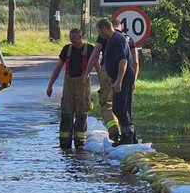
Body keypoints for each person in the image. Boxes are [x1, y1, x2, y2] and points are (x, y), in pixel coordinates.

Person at [46, 28, 95, 149]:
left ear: (80, 36)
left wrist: (105, 83)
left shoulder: (89, 49)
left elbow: (97, 66)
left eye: (74, 39)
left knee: (81, 113)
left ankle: (80, 143)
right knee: (66, 114)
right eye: (70, 39)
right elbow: (58, 68)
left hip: (83, 85)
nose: (72, 41)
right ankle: (64, 143)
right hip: (69, 85)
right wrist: (50, 85)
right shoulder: (67, 49)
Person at [96, 17, 136, 145]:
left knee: (121, 107)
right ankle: (127, 135)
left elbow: (123, 61)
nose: (100, 36)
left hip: (124, 77)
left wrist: (119, 80)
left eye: (100, 33)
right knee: (119, 107)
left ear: (104, 29)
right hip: (118, 77)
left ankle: (128, 136)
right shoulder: (113, 40)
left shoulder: (117, 40)